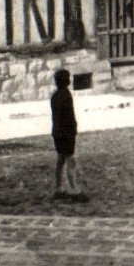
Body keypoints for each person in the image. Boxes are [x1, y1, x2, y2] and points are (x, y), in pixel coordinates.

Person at [51, 67, 80, 197]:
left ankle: (59, 187)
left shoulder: (54, 96)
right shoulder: (67, 95)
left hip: (57, 133)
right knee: (71, 160)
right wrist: (74, 128)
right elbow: (69, 116)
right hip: (67, 132)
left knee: (60, 160)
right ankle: (73, 188)